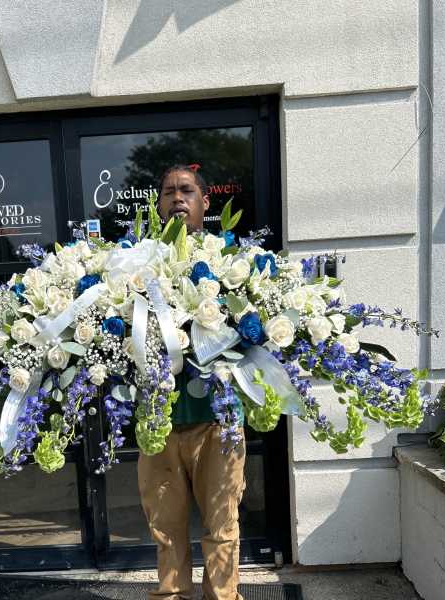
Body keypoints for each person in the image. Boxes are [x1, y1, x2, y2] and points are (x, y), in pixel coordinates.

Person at [137, 165, 246, 600]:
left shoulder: (232, 263)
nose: (177, 197)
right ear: (159, 205)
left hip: (217, 422)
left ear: (205, 202)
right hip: (158, 422)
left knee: (222, 529)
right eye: (168, 192)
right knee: (165, 531)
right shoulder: (137, 264)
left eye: (187, 190)